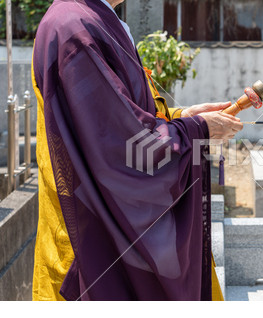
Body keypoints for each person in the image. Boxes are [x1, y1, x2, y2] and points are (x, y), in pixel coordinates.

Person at [32, 0, 242, 301]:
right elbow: (118, 146)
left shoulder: (92, 19)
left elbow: (119, 116)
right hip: (92, 245)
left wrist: (182, 118)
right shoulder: (73, 27)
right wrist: (198, 130)